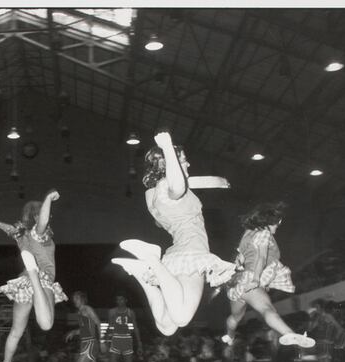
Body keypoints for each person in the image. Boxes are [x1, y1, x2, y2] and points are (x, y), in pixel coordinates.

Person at [112, 132, 236, 336]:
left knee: (167, 327)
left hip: (178, 255)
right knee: (181, 318)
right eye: (183, 161)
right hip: (192, 253)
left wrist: (214, 181)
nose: (187, 165)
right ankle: (152, 260)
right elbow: (177, 186)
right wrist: (168, 146)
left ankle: (141, 272)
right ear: (168, 165)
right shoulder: (169, 189)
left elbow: (179, 184)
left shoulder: (153, 195)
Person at [0, 190, 67, 362]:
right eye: (46, 214)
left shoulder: (22, 235)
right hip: (41, 280)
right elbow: (42, 222)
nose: (48, 218)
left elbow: (12, 230)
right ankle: (34, 273)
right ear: (36, 215)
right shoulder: (38, 234)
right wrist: (49, 198)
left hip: (22, 283)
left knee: (17, 330)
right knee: (46, 324)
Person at [223, 202, 315, 349]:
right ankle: (288, 333)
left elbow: (238, 260)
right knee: (267, 309)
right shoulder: (264, 234)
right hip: (250, 279)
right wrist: (255, 279)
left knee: (236, 317)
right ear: (268, 222)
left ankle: (229, 335)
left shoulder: (247, 233)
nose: (277, 227)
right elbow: (260, 257)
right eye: (276, 224)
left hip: (238, 283)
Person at [104, 295, 142, 362]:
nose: (119, 301)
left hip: (127, 340)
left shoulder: (130, 312)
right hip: (116, 339)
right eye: (117, 299)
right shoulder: (111, 312)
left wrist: (139, 343)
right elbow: (110, 326)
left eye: (121, 299)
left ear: (126, 300)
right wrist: (106, 341)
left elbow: (135, 327)